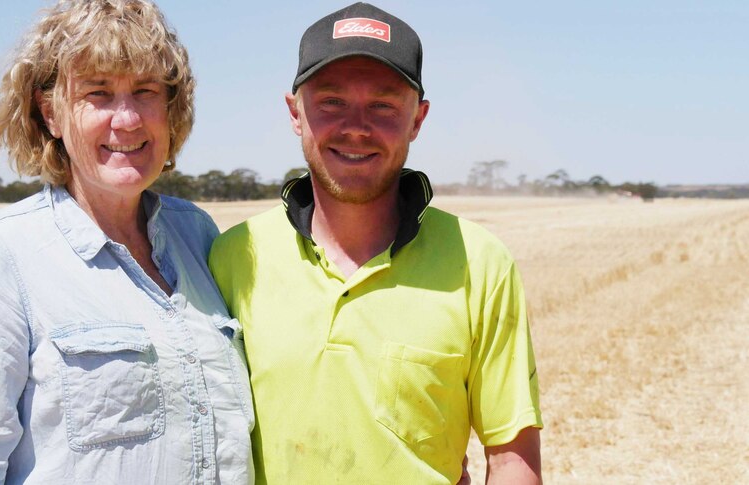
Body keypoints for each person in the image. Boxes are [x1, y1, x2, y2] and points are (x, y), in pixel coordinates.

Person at [0, 1, 253, 483]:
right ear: (50, 112)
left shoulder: (198, 235)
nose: (128, 118)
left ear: (171, 109)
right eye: (98, 93)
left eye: (145, 91)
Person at [209, 3, 542, 484]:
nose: (357, 127)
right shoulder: (234, 257)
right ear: (294, 113)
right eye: (331, 102)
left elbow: (512, 458)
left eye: (384, 105)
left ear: (417, 120)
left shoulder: (481, 263)